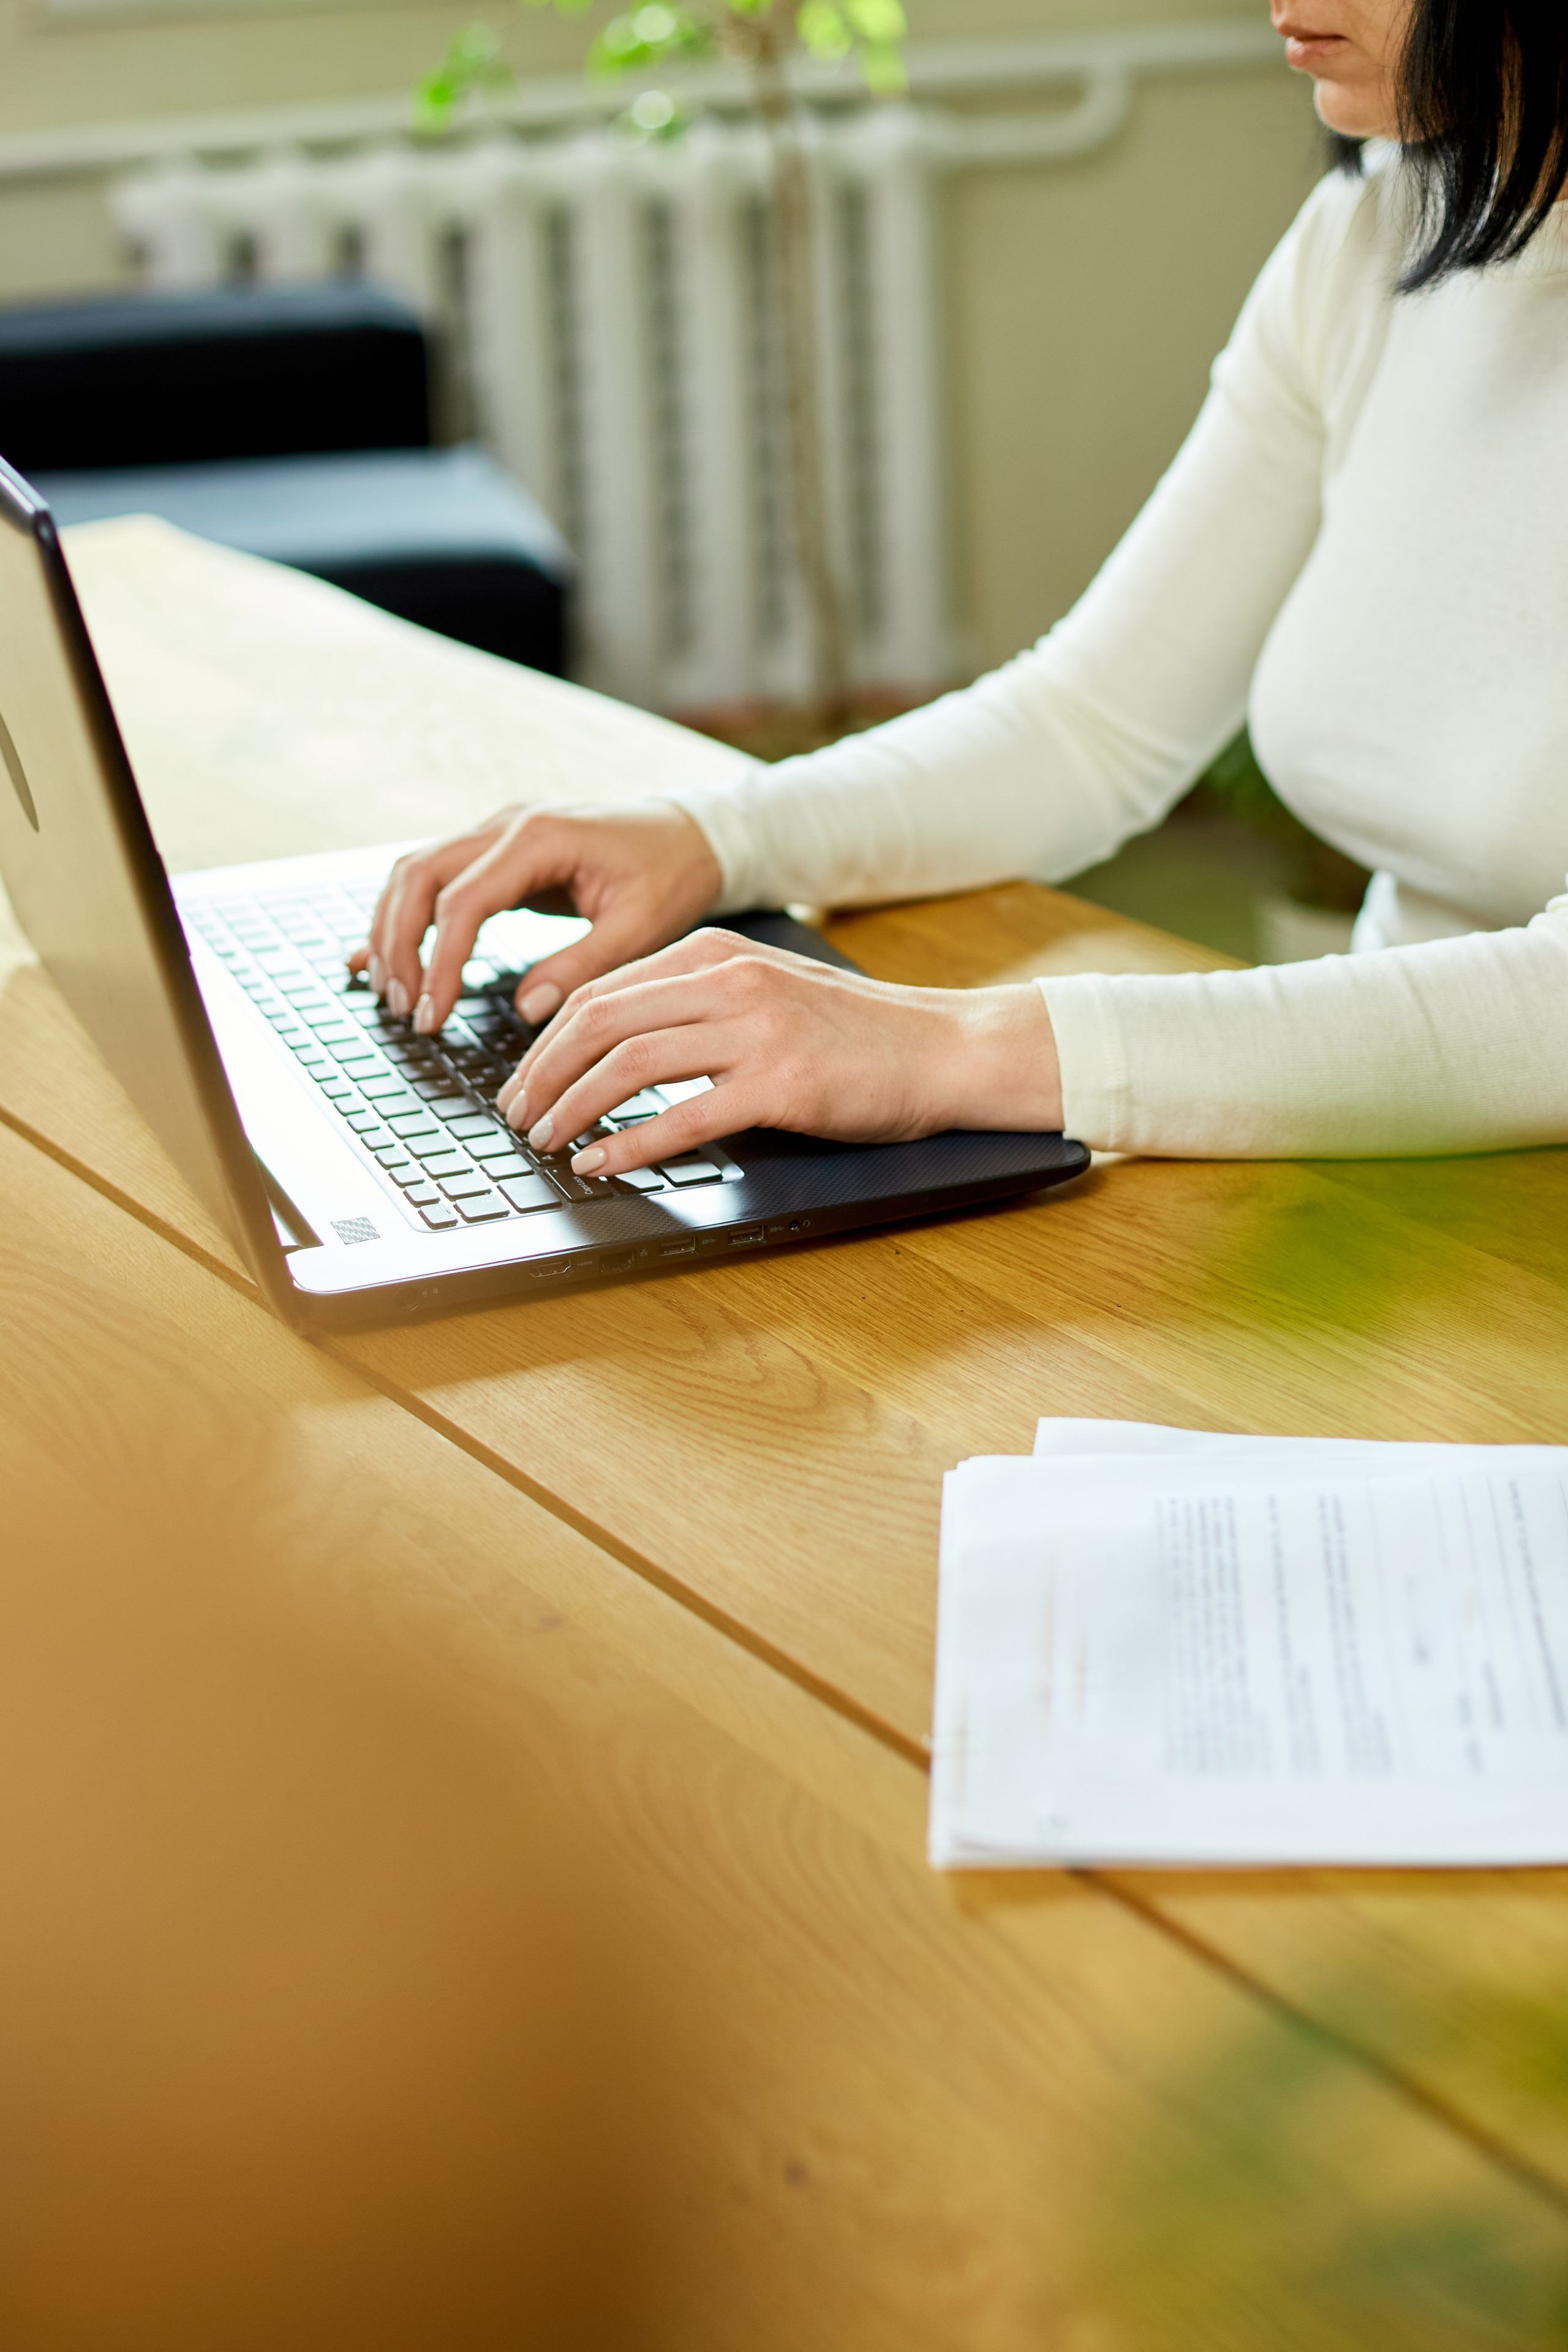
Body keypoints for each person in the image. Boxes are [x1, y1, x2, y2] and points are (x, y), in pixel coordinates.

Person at [356, 0, 1568, 1185]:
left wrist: (948, 1048)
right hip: (1388, 1196)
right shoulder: (1374, 228)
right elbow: (1090, 727)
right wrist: (712, 839)